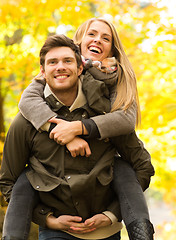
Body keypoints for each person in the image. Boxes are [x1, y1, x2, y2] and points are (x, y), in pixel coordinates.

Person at [0, 19, 154, 240]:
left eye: (106, 38)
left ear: (79, 64)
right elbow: (8, 181)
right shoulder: (30, 115)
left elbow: (136, 149)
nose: (60, 67)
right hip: (56, 231)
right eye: (53, 63)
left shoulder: (111, 99)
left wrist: (112, 214)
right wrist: (47, 219)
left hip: (105, 230)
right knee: (26, 178)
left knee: (122, 168)